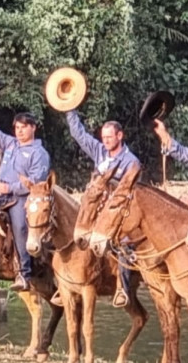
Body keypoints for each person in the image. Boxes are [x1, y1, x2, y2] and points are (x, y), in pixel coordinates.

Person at [65, 109, 140, 307]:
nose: (106, 141)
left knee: (124, 243)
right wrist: (69, 108)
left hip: (120, 211)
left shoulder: (131, 162)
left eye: (109, 137)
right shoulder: (99, 151)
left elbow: (132, 191)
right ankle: (66, 281)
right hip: (96, 209)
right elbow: (79, 134)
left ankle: (122, 288)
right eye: (103, 137)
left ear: (119, 136)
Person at [0, 92, 50, 291]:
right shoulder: (10, 144)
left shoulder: (39, 153)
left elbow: (36, 182)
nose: (19, 131)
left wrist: (11, 187)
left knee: (19, 227)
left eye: (23, 127)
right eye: (17, 127)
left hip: (21, 198)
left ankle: (23, 273)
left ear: (33, 128)